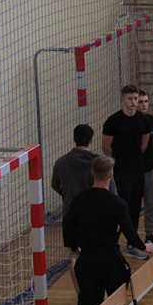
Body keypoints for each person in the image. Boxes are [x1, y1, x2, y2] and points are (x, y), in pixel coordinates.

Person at [68, 156, 153, 305]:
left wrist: (74, 246)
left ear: (92, 173)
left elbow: (69, 226)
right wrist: (143, 247)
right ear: (111, 175)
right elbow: (129, 231)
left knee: (88, 303)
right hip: (110, 261)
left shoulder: (79, 201)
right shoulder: (117, 204)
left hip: (87, 260)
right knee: (115, 300)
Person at [101, 85, 150, 260]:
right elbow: (106, 147)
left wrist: (134, 159)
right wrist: (117, 164)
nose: (133, 102)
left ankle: (132, 244)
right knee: (120, 207)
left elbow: (144, 144)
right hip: (121, 171)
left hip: (138, 170)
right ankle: (111, 245)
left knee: (135, 206)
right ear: (122, 99)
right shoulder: (113, 121)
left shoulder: (142, 120)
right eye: (130, 98)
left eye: (135, 98)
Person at [53, 123, 102, 294]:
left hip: (70, 215)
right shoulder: (99, 163)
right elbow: (111, 190)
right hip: (95, 215)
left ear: (74, 139)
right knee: (97, 252)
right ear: (91, 139)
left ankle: (81, 294)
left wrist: (67, 196)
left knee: (74, 254)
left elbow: (55, 185)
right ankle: (96, 292)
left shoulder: (61, 162)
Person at [137, 90, 153, 248]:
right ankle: (133, 238)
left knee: (151, 203)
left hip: (151, 167)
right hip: (134, 169)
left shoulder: (152, 121)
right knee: (133, 205)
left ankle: (149, 234)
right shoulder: (129, 122)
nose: (143, 105)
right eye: (140, 102)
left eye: (146, 101)